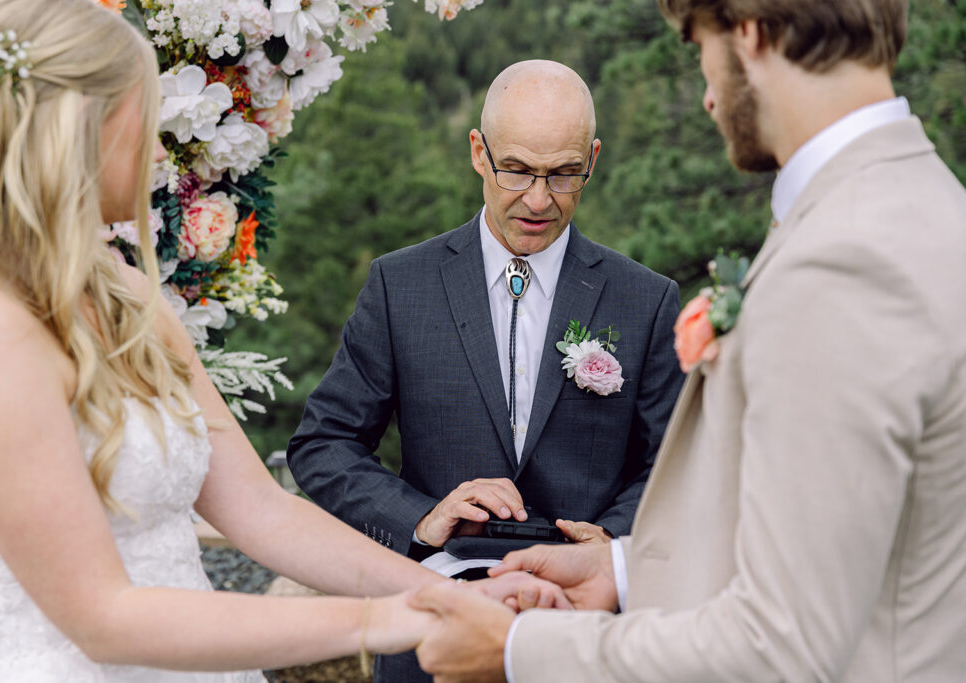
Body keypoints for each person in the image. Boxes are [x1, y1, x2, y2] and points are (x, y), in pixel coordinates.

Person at [0, 1, 567, 681]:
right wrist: (388, 619)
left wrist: (446, 593)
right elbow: (102, 616)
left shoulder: (126, 296)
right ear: (80, 129)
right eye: (142, 119)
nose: (157, 151)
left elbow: (262, 510)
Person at [411, 0, 966, 681]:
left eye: (696, 42)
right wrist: (621, 568)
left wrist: (518, 650)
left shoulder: (846, 260)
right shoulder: (920, 202)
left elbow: (782, 646)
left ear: (749, 33)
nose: (706, 94)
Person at [286, 59, 685, 681]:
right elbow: (324, 445)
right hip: (434, 625)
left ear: (594, 161)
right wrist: (418, 518)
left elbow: (675, 466)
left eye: (563, 175)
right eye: (518, 170)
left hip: (588, 635)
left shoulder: (647, 299)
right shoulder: (400, 284)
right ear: (479, 152)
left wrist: (609, 545)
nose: (538, 199)